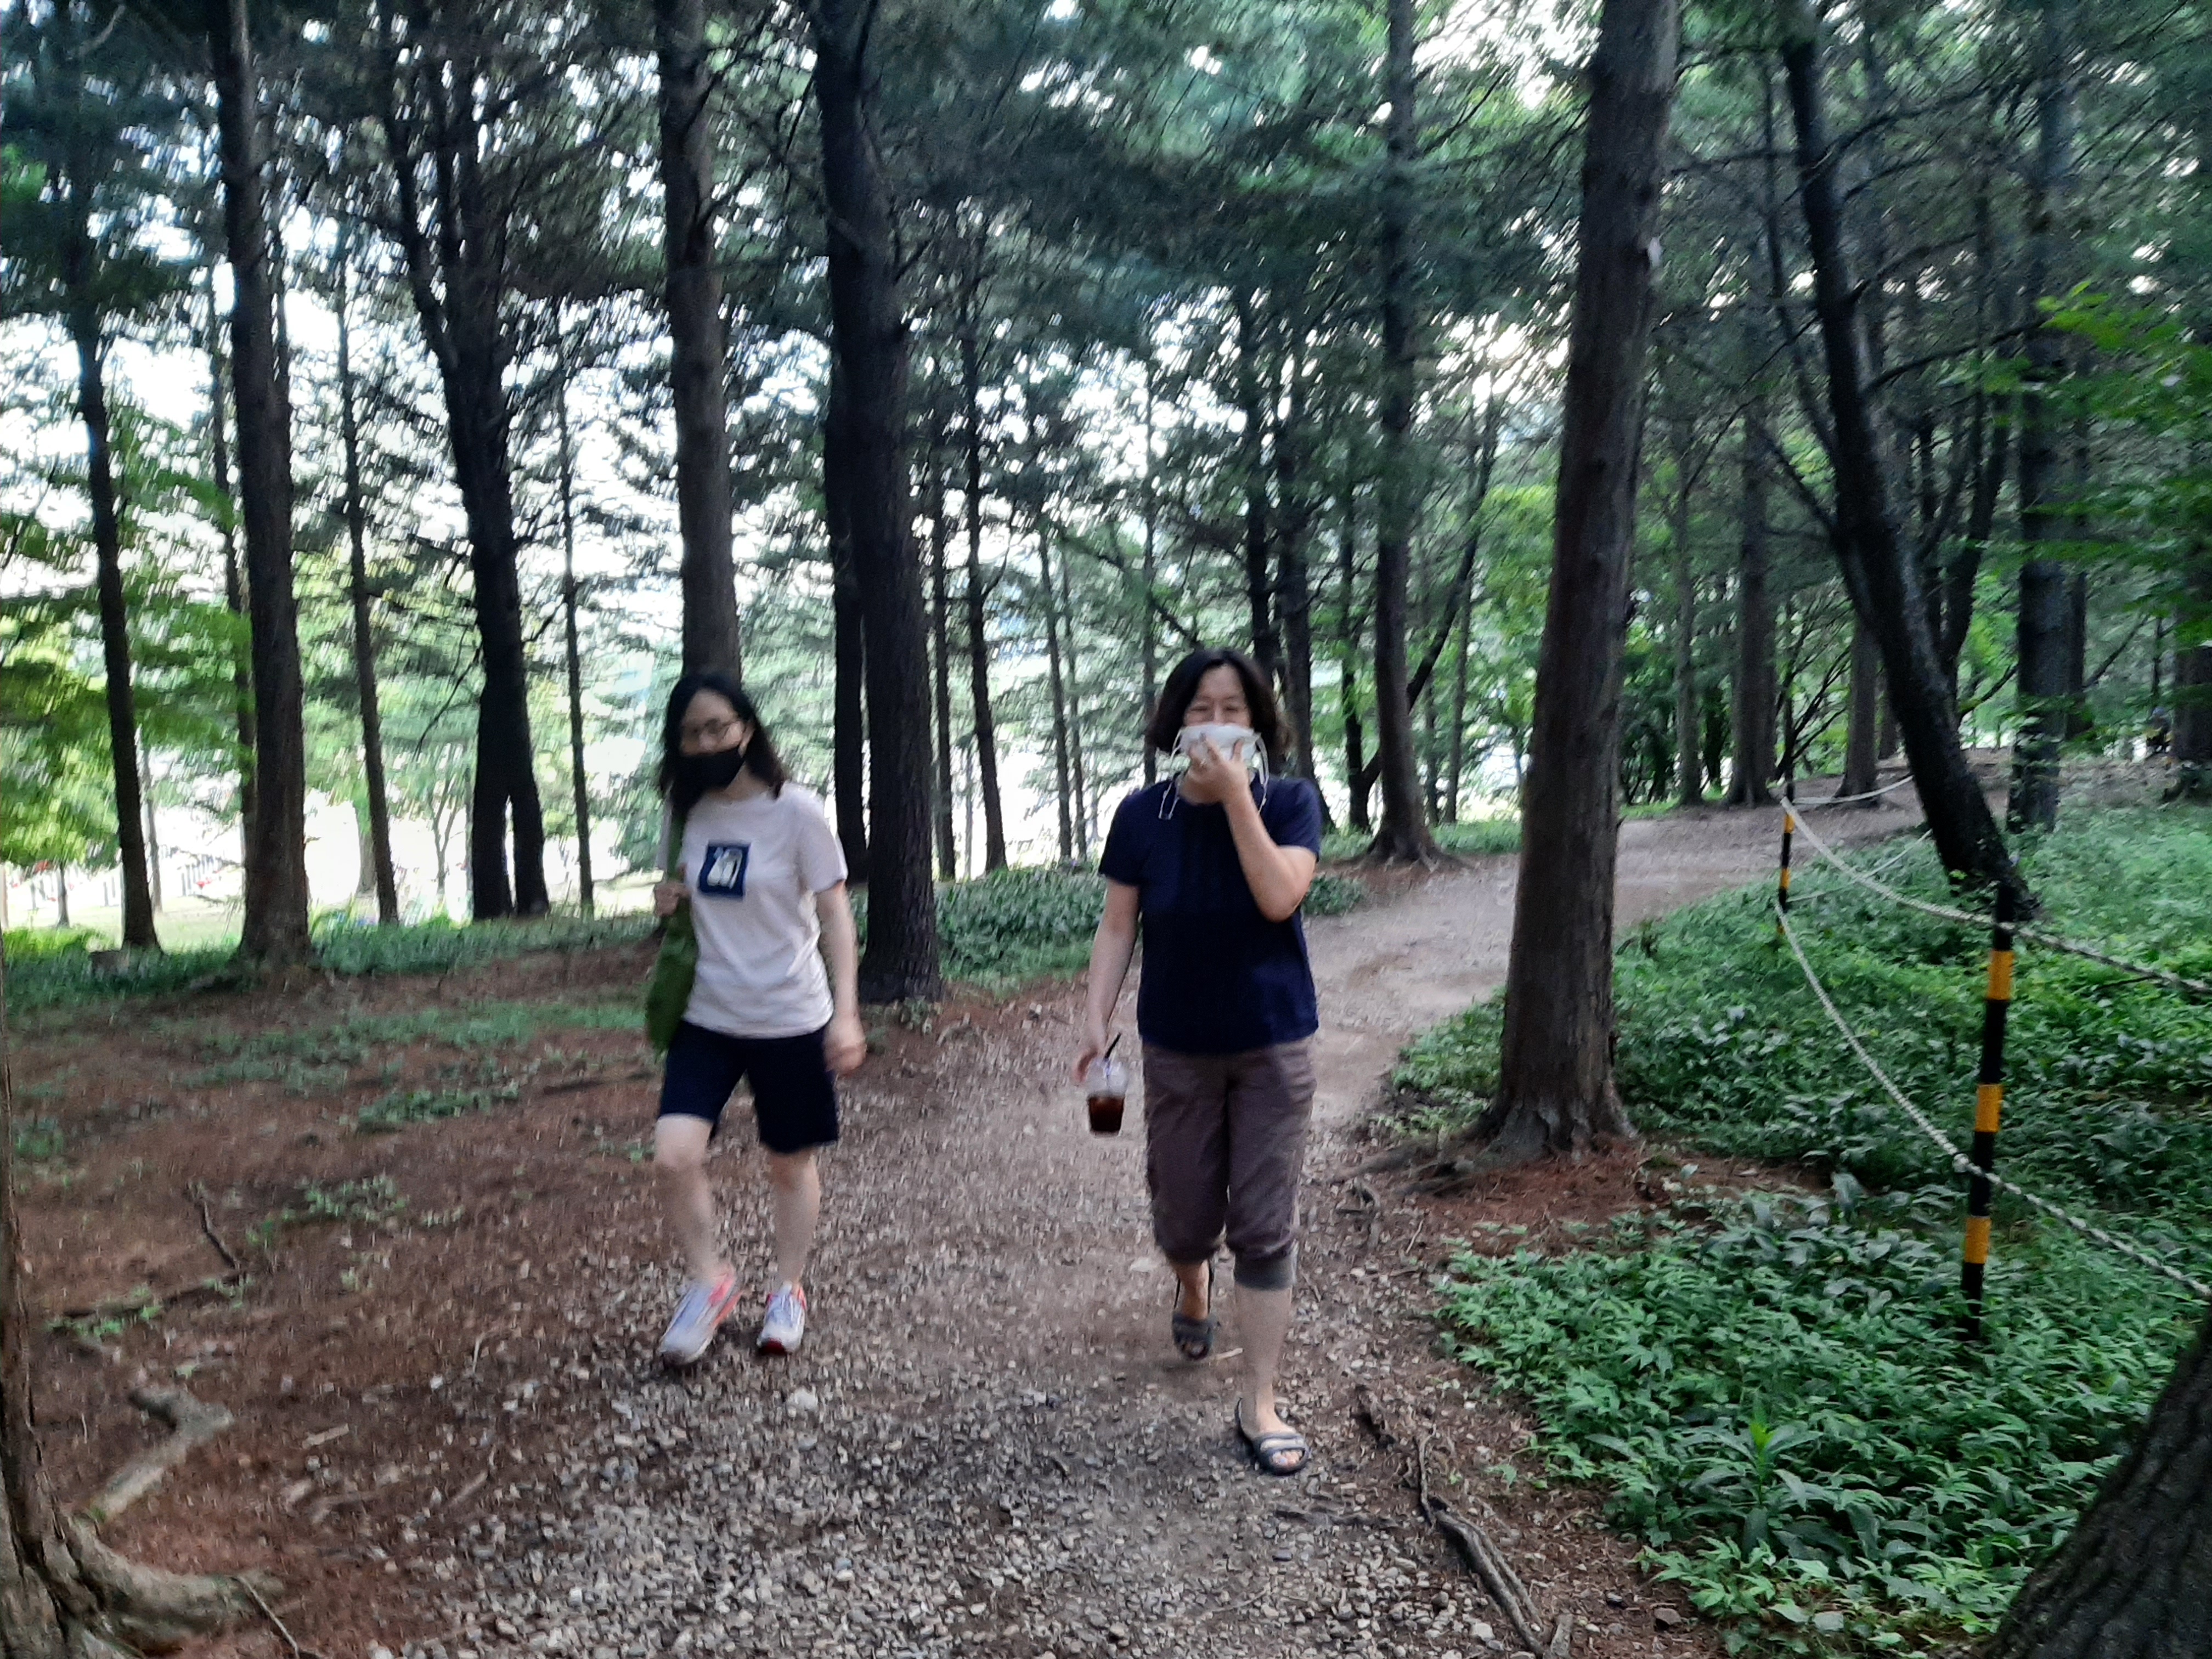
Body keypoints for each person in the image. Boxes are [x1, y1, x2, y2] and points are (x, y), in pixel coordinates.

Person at [1074, 647, 1324, 1476]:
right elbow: (1119, 924)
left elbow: (1280, 895)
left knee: (1264, 1225)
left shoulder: (1290, 802)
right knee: (1182, 1219)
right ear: (1176, 725)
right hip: (1178, 1046)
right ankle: (1191, 1282)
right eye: (1201, 710)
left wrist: (1237, 800)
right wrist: (1095, 1017)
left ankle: (1259, 1402)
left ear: (1257, 724)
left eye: (1233, 711)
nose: (1216, 726)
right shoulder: (1142, 814)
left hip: (1273, 1043)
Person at [649, 671, 866, 1367]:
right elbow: (681, 897)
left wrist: (846, 1013)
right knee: (674, 1154)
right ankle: (709, 1283)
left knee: (788, 1163)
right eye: (692, 733)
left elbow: (835, 914)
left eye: (718, 727)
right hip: (707, 1016)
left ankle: (788, 1289)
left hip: (789, 1016)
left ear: (747, 729)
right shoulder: (683, 811)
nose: (707, 742)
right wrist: (667, 902)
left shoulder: (795, 811)